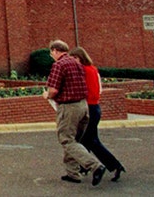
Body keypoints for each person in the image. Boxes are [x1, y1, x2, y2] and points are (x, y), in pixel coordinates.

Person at [42, 39, 106, 185]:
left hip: (69, 107)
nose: (51, 55)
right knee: (74, 139)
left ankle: (95, 166)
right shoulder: (77, 63)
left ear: (55, 51)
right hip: (83, 106)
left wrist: (47, 95)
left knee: (66, 139)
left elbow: (53, 90)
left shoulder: (58, 65)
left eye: (51, 52)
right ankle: (72, 173)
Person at [70, 47, 126, 182]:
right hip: (95, 107)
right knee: (88, 139)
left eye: (74, 59)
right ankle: (87, 167)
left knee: (89, 141)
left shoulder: (83, 71)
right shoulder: (93, 70)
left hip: (88, 108)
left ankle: (108, 166)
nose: (72, 63)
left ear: (79, 58)